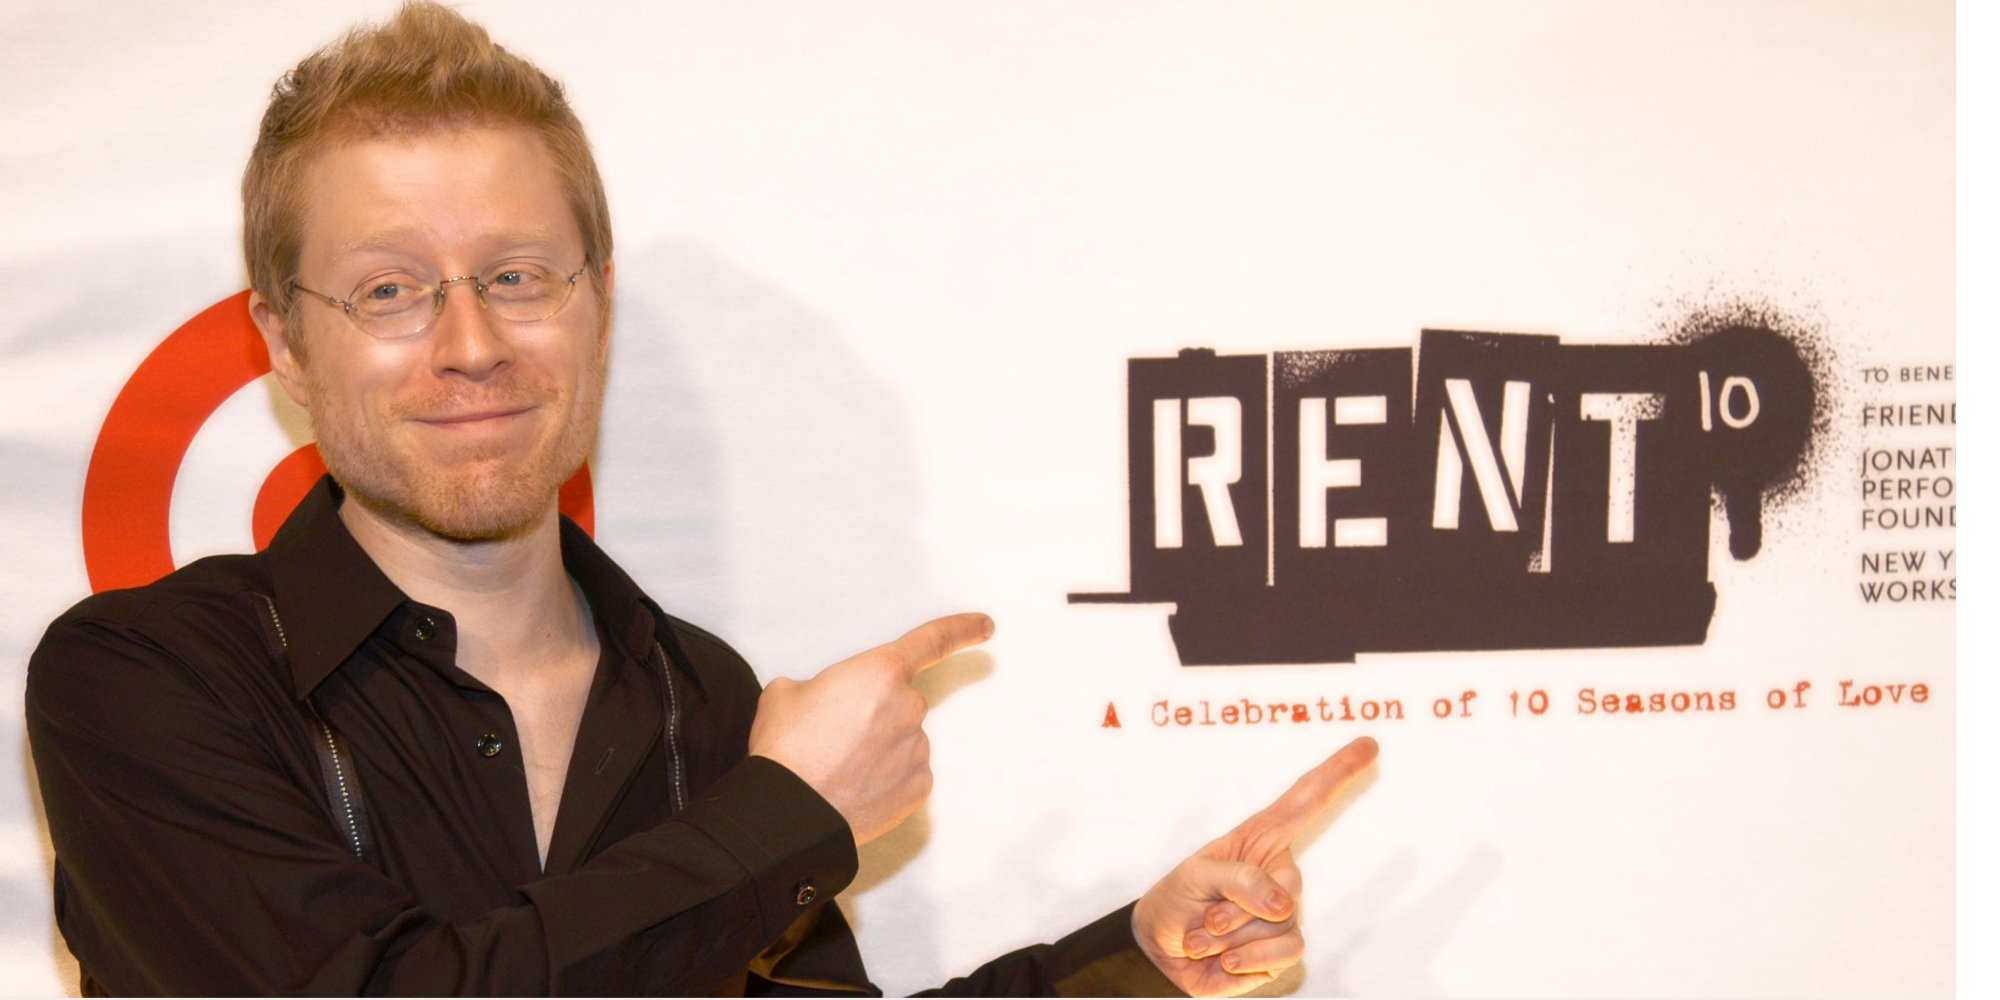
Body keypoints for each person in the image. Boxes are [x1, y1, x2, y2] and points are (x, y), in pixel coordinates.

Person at [25, 4, 1378, 995]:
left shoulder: (707, 702)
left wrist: (1126, 958)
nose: (471, 342)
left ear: (596, 304)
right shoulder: (146, 680)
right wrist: (784, 818)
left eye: (517, 274)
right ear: (282, 340)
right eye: (388, 289)